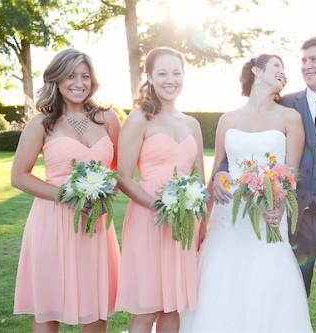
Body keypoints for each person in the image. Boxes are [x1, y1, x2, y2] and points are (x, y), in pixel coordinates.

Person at [213, 36, 316, 332]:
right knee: (282, 302)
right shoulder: (283, 103)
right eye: (303, 60)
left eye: (314, 59)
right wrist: (222, 175)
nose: (306, 66)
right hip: (289, 224)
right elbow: (233, 154)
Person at [179, 54, 312, 332]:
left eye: (284, 70)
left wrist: (278, 206)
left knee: (265, 282)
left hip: (268, 215)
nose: (283, 73)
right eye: (277, 66)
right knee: (223, 283)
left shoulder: (290, 117)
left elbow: (291, 174)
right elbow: (216, 172)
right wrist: (206, 213)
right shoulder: (228, 119)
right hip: (228, 218)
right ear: (257, 70)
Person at [11, 48, 121, 332]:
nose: (79, 83)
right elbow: (19, 176)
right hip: (52, 223)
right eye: (71, 75)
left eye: (85, 76)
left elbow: (117, 171)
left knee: (97, 309)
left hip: (94, 226)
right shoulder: (41, 124)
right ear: (57, 79)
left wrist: (107, 190)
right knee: (49, 311)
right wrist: (65, 196)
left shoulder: (108, 120)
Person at [114, 47, 205, 333]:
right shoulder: (140, 119)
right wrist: (160, 206)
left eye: (176, 73)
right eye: (163, 73)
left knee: (172, 305)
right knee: (147, 307)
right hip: (148, 218)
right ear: (149, 77)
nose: (170, 79)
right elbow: (123, 177)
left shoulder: (192, 124)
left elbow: (200, 179)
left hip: (185, 222)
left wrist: (201, 221)